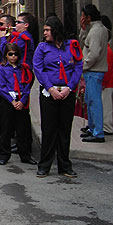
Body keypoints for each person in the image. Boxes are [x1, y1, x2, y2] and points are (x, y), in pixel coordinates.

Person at [33, 16, 83, 178]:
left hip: (67, 92)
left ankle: (65, 165)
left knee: (64, 130)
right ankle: (45, 165)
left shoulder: (72, 45)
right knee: (48, 129)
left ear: (56, 30)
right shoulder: (42, 48)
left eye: (48, 30)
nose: (45, 33)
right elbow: (39, 69)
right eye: (44, 30)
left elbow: (78, 66)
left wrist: (70, 87)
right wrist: (50, 88)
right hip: (49, 93)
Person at [0, 43, 36, 166]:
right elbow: (1, 87)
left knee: (23, 129)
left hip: (21, 100)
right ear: (6, 55)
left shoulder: (23, 68)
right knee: (6, 129)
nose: (13, 57)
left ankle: (25, 155)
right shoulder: (2, 69)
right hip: (8, 100)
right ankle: (4, 155)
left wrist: (22, 101)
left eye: (15, 54)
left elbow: (27, 84)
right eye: (10, 54)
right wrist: (12, 101)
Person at [78, 4, 109, 143]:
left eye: (84, 16)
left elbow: (94, 53)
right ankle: (92, 127)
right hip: (92, 70)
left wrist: (84, 65)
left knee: (94, 102)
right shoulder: (95, 29)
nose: (82, 18)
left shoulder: (97, 31)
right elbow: (85, 43)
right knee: (89, 100)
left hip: (94, 71)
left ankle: (98, 132)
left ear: (89, 17)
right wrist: (83, 30)